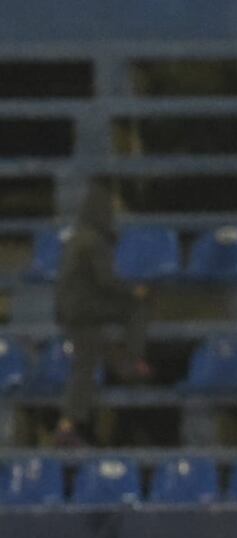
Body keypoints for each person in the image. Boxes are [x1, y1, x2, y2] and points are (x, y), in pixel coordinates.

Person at [53, 190, 152, 446]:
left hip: (70, 310)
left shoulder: (76, 238)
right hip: (86, 309)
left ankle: (68, 425)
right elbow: (106, 281)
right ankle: (130, 360)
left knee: (85, 366)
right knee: (136, 308)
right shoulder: (95, 240)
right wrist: (134, 291)